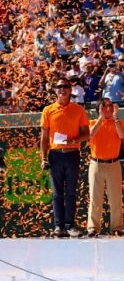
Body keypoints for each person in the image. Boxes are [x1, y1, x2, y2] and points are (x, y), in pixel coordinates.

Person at [40, 77, 90, 238]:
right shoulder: (47, 110)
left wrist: (74, 140)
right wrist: (43, 158)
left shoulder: (78, 110)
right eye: (59, 86)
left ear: (70, 90)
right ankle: (58, 227)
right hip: (55, 155)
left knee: (71, 193)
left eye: (66, 86)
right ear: (55, 90)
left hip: (72, 155)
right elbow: (44, 137)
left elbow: (86, 134)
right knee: (56, 194)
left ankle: (70, 226)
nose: (62, 89)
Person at [87, 98, 124, 237]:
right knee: (95, 197)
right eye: (104, 106)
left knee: (116, 197)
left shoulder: (118, 122)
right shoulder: (93, 122)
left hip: (113, 164)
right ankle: (93, 228)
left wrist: (115, 118)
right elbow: (91, 134)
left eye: (110, 105)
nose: (108, 108)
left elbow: (122, 135)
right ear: (99, 109)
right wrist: (100, 118)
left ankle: (117, 228)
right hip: (96, 164)